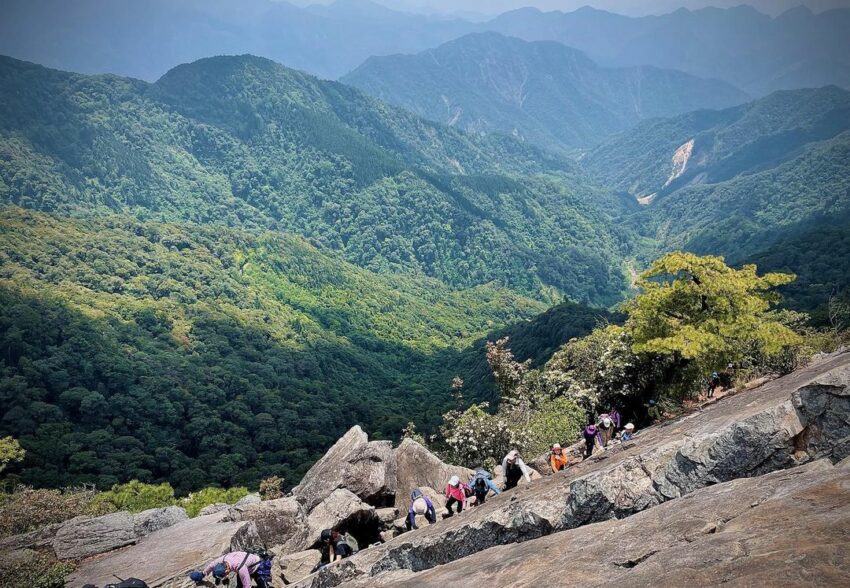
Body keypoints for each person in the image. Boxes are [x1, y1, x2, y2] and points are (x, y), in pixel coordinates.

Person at [192, 551, 268, 588]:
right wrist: (202, 574)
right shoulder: (222, 560)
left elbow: (247, 585)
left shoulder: (241, 568)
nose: (225, 576)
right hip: (247, 564)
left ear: (227, 570)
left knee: (262, 585)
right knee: (239, 586)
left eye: (224, 575)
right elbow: (211, 565)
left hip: (258, 566)